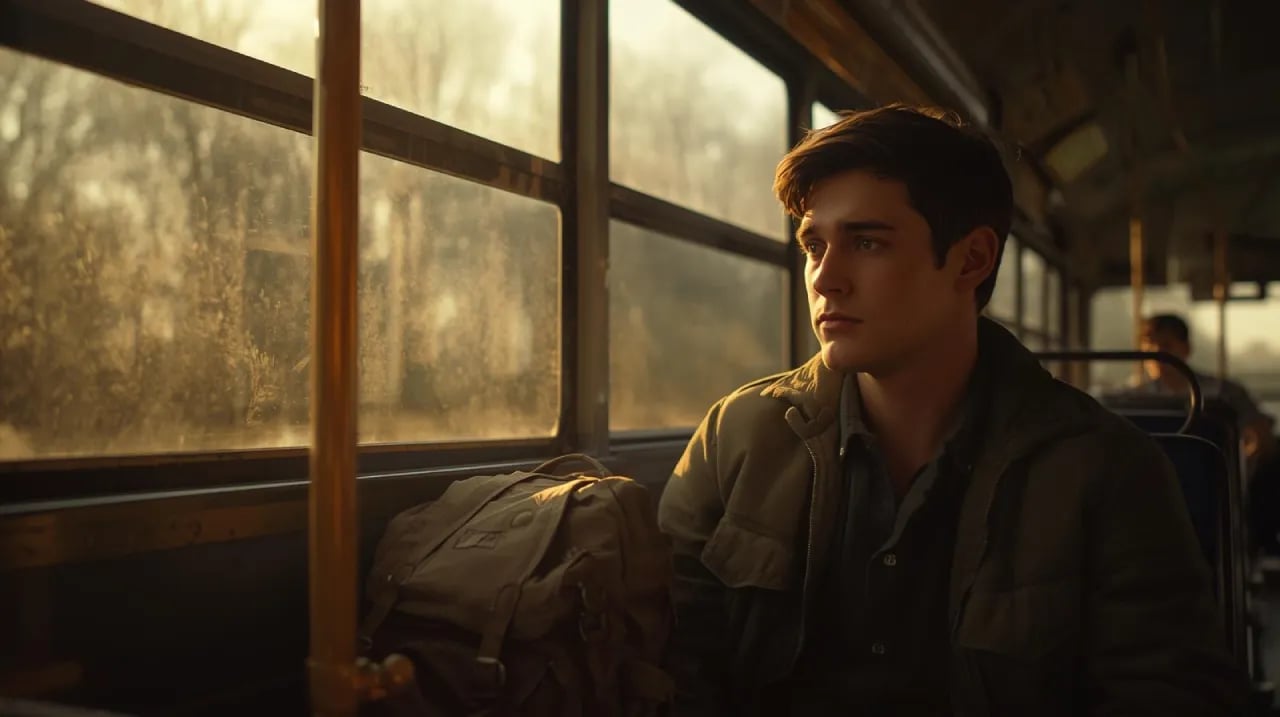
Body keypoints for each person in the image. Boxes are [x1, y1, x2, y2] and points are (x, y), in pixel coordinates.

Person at [657, 105, 1245, 715]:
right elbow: (674, 664)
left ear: (971, 260)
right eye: (813, 245)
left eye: (866, 242)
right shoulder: (738, 436)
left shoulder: (1104, 469)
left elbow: (1165, 693)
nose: (825, 279)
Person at [1137, 313, 1262, 431]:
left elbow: (1258, 432)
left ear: (1186, 348)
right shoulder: (1132, 396)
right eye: (1150, 344)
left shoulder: (1226, 393)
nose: (1157, 352)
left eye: (1166, 345)